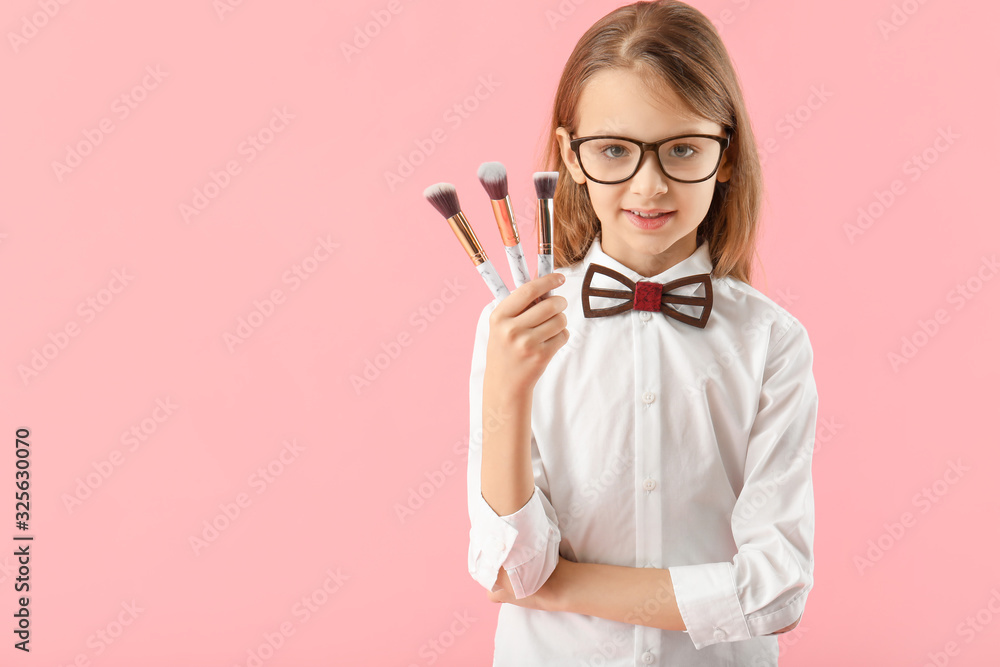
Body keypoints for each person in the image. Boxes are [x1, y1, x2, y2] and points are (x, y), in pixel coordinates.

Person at [465, 1, 818, 664]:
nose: (648, 185)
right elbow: (513, 569)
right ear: (571, 157)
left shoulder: (773, 343)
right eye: (614, 150)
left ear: (726, 154)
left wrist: (566, 586)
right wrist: (507, 395)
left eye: (681, 148)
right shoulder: (512, 327)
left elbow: (776, 590)